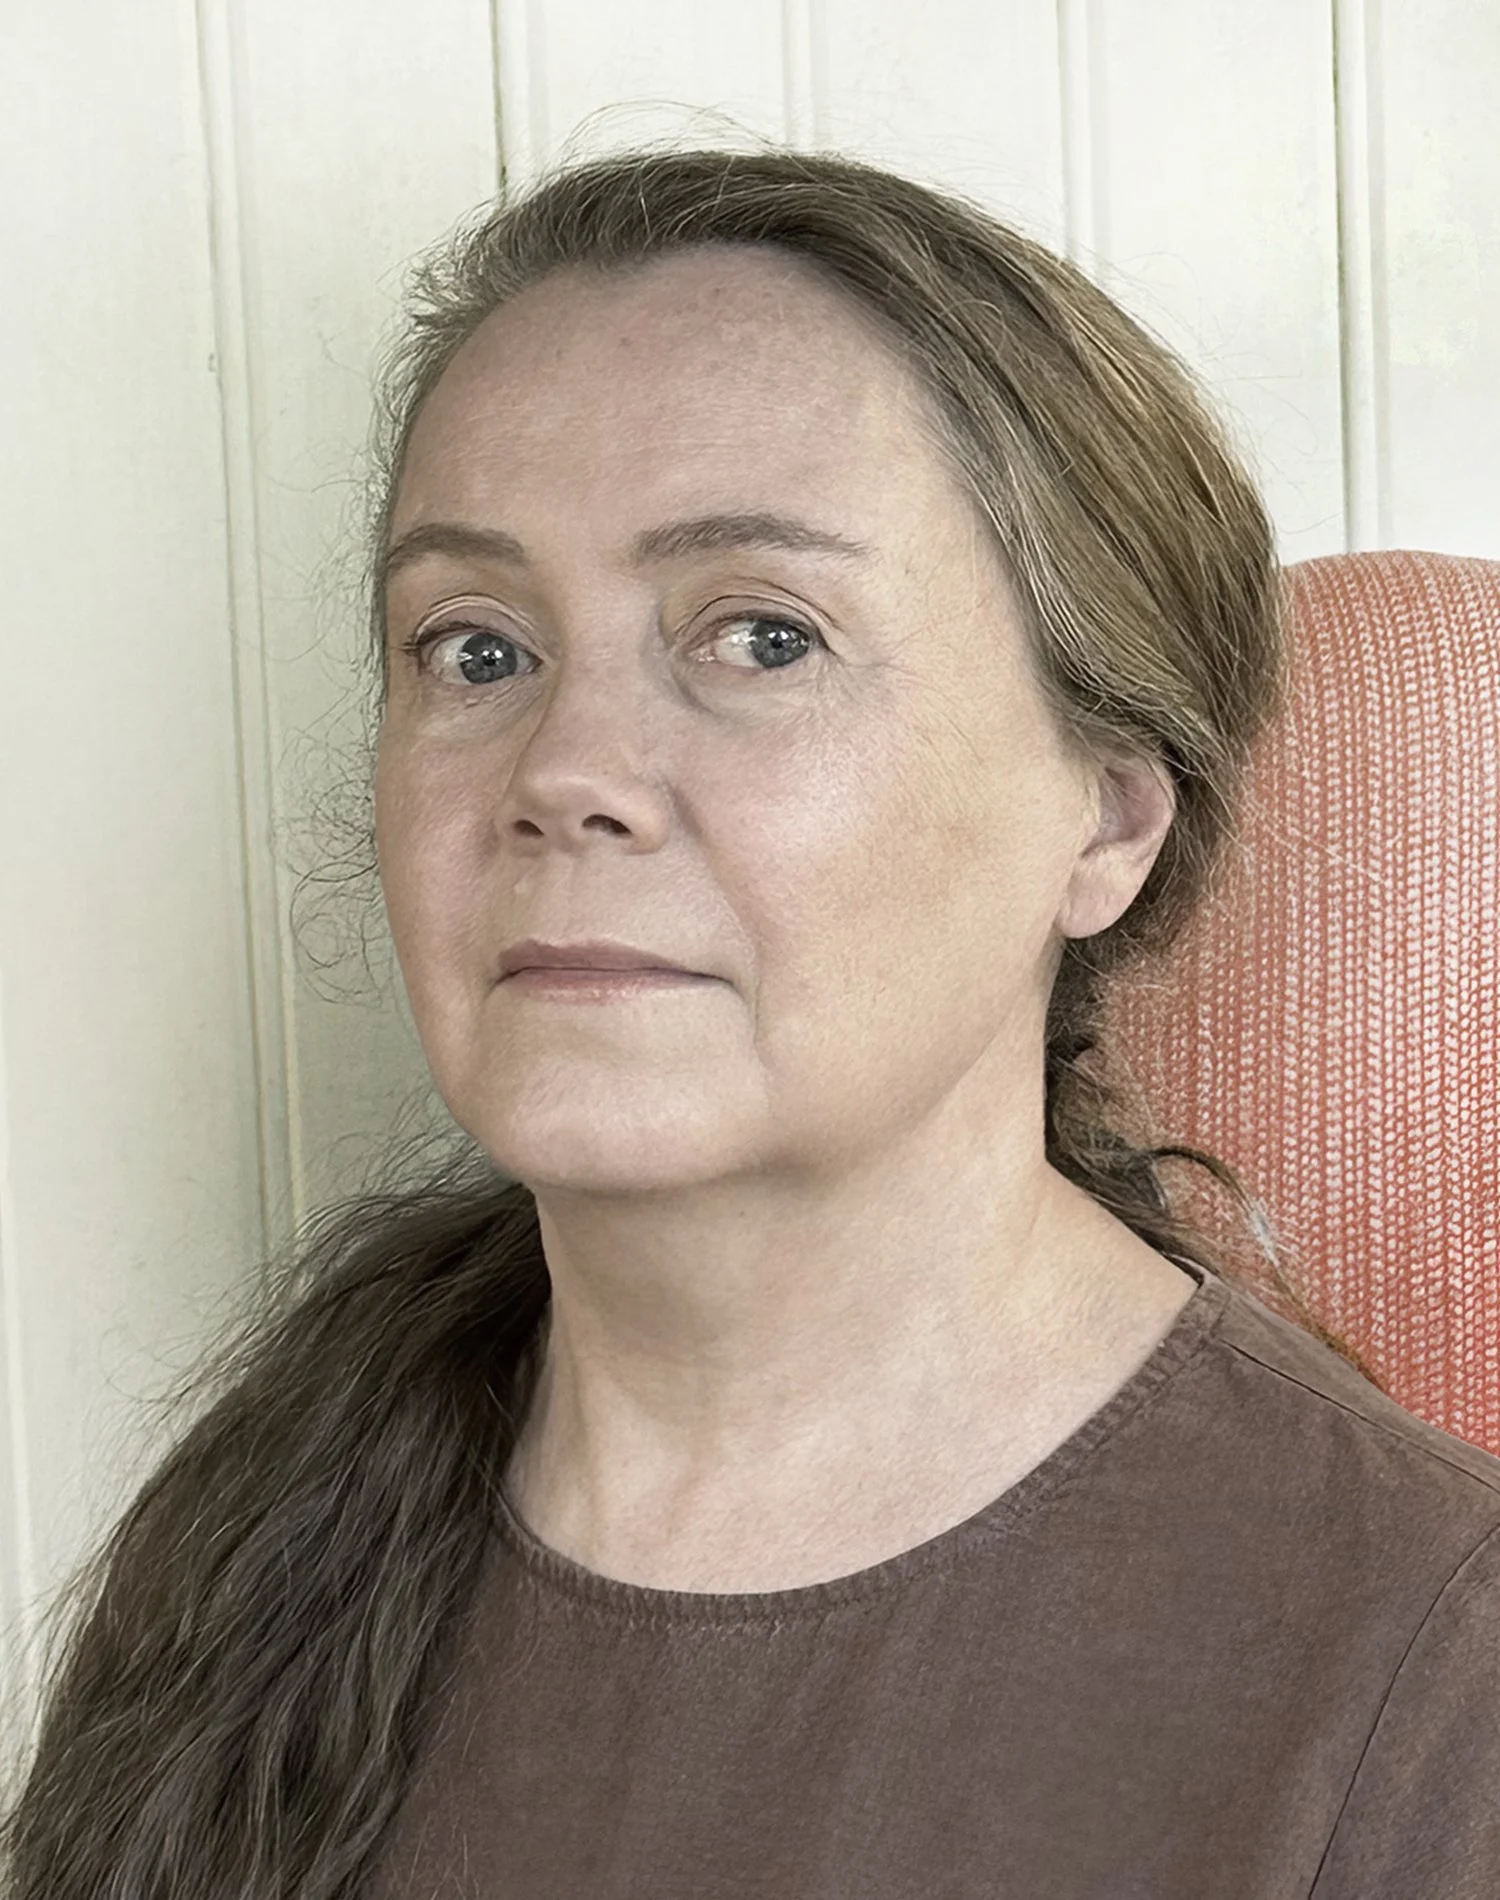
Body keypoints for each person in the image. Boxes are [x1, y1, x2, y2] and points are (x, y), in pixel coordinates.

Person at [5, 145, 1499, 1900]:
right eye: (476, 650)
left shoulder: (1430, 1681)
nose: (566, 771)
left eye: (764, 638)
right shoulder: (265, 1532)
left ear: (1105, 817)